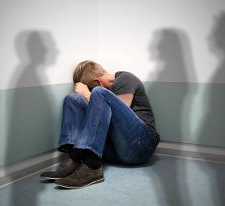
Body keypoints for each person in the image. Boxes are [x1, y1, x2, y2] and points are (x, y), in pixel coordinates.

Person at [40, 60, 160, 188]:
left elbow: (119, 115)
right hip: (116, 151)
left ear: (98, 82)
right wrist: (83, 97)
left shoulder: (126, 78)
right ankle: (75, 159)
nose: (91, 92)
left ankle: (92, 167)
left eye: (91, 88)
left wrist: (87, 94)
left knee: (99, 93)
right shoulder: (103, 92)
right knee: (73, 99)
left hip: (141, 147)